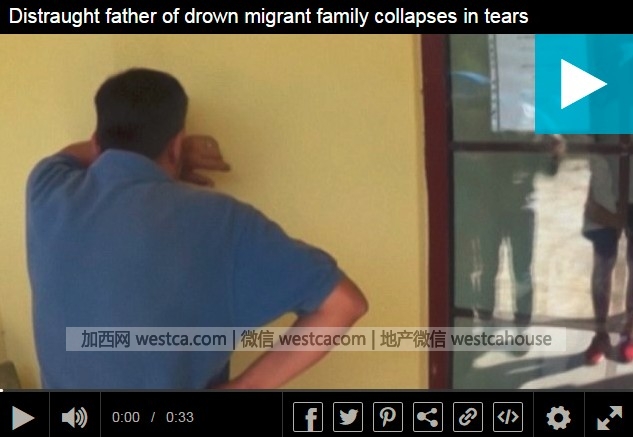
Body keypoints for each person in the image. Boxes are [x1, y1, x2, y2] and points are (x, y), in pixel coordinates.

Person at [26, 68, 368, 389]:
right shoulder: (225, 221)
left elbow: (74, 153)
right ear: (176, 145)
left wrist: (142, 151)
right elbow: (344, 303)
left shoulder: (46, 190)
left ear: (97, 141)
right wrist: (246, 388)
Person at [582, 154, 633, 365]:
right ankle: (600, 333)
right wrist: (600, 195)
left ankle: (630, 331)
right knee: (602, 267)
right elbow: (591, 144)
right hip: (605, 194)